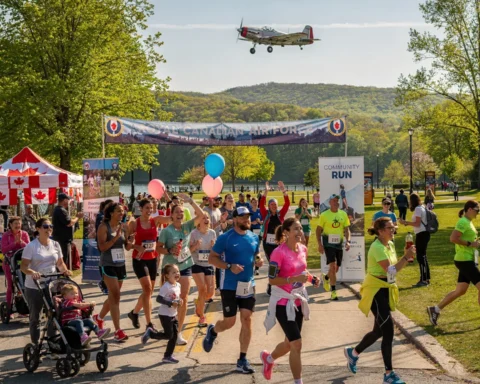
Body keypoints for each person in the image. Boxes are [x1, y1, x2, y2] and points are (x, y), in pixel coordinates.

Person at [344, 217, 415, 384]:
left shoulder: (389, 244)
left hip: (385, 289)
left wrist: (406, 258)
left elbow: (393, 268)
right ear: (381, 231)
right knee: (388, 331)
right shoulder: (377, 247)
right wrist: (406, 257)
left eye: (393, 227)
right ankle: (389, 374)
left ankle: (353, 353)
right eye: (390, 228)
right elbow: (390, 270)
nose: (393, 230)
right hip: (375, 290)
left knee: (379, 331)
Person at [202, 206, 263, 374]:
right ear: (235, 219)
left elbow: (256, 254)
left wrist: (259, 260)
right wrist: (229, 266)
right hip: (229, 285)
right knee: (230, 322)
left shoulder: (253, 237)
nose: (247, 220)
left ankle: (242, 359)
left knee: (247, 319)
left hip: (248, 284)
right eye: (243, 217)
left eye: (248, 217)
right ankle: (213, 331)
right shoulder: (225, 238)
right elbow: (212, 258)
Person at [261, 218, 319, 383]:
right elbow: (272, 280)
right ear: (286, 232)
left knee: (289, 343)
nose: (300, 232)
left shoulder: (303, 249)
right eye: (296, 229)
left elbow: (302, 269)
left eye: (300, 229)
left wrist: (311, 278)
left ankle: (269, 359)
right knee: (297, 344)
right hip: (282, 302)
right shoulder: (278, 253)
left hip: (298, 301)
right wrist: (292, 279)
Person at [157, 193, 204, 345]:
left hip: (185, 266)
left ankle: (178, 332)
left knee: (183, 299)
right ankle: (168, 325)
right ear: (171, 215)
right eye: (177, 212)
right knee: (170, 300)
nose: (180, 214)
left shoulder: (187, 227)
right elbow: (159, 248)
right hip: (170, 269)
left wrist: (190, 201)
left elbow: (202, 214)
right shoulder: (166, 231)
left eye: (182, 212)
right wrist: (170, 251)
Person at [427, 200, 480, 326]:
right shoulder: (463, 222)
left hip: (465, 259)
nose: (478, 212)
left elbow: (467, 239)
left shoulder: (469, 222)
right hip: (464, 260)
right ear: (470, 209)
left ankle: (435, 309)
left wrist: (474, 243)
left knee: (460, 290)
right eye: (477, 210)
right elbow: (453, 238)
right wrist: (471, 244)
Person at [20, 218, 72, 344]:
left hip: (52, 285)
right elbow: (23, 267)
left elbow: (60, 263)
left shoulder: (55, 244)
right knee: (35, 317)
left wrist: (65, 271)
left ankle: (52, 343)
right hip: (34, 286)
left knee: (53, 314)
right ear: (38, 229)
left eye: (51, 226)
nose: (49, 229)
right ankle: (35, 344)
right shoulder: (31, 246)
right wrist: (33, 272)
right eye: (45, 226)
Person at [127, 198, 172, 335]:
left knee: (149, 292)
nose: (149, 210)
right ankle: (149, 323)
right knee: (147, 289)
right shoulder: (134, 223)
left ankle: (134, 313)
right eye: (147, 208)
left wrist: (169, 200)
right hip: (139, 259)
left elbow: (172, 218)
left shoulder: (156, 220)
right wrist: (136, 245)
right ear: (140, 209)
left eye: (151, 208)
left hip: (153, 259)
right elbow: (127, 246)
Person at [95, 202, 135, 342]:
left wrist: (131, 241)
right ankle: (118, 331)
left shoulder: (124, 226)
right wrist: (115, 238)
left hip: (120, 264)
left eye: (123, 211)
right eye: (118, 211)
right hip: (107, 264)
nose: (121, 213)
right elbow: (102, 248)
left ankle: (99, 318)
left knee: (114, 296)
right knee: (116, 296)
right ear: (111, 213)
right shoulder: (103, 227)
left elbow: (127, 247)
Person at [142, 264, 183, 363]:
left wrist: (179, 301)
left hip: (173, 314)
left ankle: (167, 356)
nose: (177, 274)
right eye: (174, 272)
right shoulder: (166, 286)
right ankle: (151, 333)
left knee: (174, 336)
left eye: (177, 271)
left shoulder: (178, 285)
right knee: (169, 335)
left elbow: (176, 298)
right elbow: (158, 299)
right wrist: (170, 303)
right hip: (165, 315)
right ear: (167, 275)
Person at [315, 194, 351, 301]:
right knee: (333, 266)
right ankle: (334, 292)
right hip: (328, 244)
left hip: (338, 244)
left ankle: (326, 277)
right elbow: (318, 230)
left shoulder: (343, 214)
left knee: (336, 268)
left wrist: (348, 241)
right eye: (334, 201)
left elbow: (346, 229)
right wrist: (320, 244)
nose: (336, 203)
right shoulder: (324, 215)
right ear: (330, 202)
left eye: (337, 201)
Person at [259, 181, 290, 295]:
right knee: (273, 264)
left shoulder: (280, 215)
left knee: (280, 264)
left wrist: (283, 190)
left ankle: (276, 284)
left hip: (279, 243)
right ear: (269, 206)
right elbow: (261, 204)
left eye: (275, 205)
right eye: (271, 204)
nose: (273, 206)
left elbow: (287, 204)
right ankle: (271, 284)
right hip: (268, 244)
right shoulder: (264, 214)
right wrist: (266, 191)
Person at [190, 213, 216, 327]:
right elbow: (188, 250)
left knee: (210, 293)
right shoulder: (194, 234)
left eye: (208, 218)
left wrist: (213, 246)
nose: (206, 220)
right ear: (199, 221)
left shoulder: (212, 233)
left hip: (208, 263)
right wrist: (195, 245)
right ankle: (201, 317)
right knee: (202, 289)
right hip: (196, 263)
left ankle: (198, 303)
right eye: (203, 218)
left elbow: (215, 251)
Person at [399, 193, 431, 287]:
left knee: (421, 257)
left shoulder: (418, 209)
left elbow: (417, 223)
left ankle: (423, 279)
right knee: (423, 256)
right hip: (424, 233)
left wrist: (405, 222)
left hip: (421, 233)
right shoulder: (422, 207)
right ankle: (426, 278)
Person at [1, 216, 30, 319]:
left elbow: (29, 247)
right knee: (11, 286)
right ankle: (9, 309)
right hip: (9, 262)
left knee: (23, 285)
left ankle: (23, 307)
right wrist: (14, 243)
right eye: (15, 224)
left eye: (19, 223)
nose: (18, 226)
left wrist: (21, 242)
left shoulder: (24, 234)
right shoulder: (6, 235)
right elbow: (3, 250)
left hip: (22, 263)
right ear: (10, 225)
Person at [52, 193, 83, 265]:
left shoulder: (58, 209)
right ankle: (62, 273)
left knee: (62, 256)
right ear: (64, 200)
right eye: (68, 200)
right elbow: (69, 223)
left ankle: (62, 272)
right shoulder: (61, 210)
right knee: (63, 257)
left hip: (60, 237)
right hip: (63, 239)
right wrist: (78, 217)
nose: (68, 202)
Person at [95, 199, 114, 295]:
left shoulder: (108, 216)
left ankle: (107, 283)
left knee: (109, 263)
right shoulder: (101, 216)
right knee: (104, 263)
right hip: (103, 244)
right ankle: (103, 283)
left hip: (110, 243)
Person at [250, 197, 263, 276]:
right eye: (253, 202)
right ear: (251, 203)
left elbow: (263, 221)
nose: (255, 203)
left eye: (256, 202)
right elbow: (246, 222)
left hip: (258, 232)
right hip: (251, 231)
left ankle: (256, 268)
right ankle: (250, 266)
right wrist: (252, 222)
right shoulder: (249, 211)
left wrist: (260, 222)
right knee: (251, 249)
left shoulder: (260, 211)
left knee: (257, 250)